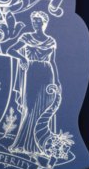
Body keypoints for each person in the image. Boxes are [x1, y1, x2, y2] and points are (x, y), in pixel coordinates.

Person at [7, 11, 61, 160]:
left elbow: (53, 62)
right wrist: (22, 57)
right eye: (34, 21)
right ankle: (24, 144)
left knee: (43, 109)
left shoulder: (51, 41)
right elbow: (10, 49)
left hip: (47, 74)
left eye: (38, 21)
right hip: (32, 73)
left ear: (44, 22)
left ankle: (38, 144)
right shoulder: (26, 37)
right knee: (30, 108)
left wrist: (56, 81)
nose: (35, 23)